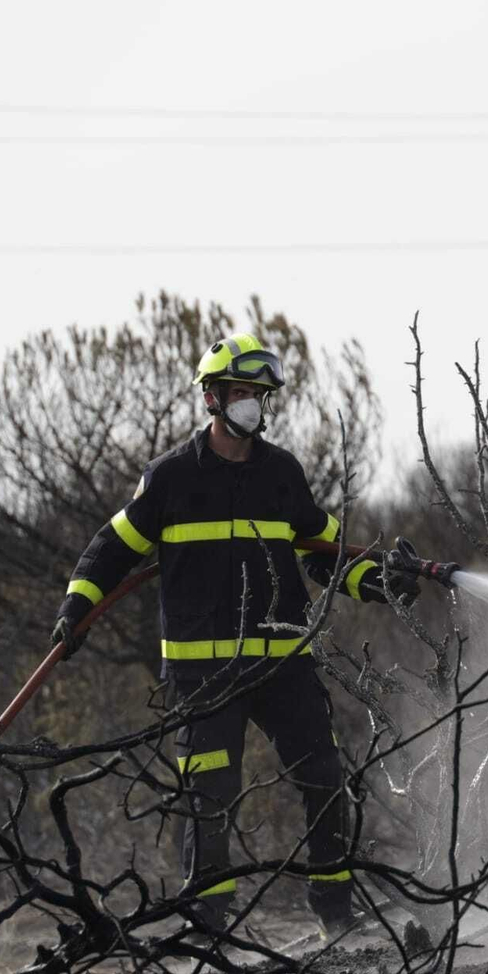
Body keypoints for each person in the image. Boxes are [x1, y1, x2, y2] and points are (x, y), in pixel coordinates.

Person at [50, 332, 419, 938]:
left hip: (283, 670)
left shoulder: (282, 474)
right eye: (240, 391)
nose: (251, 402)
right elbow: (109, 551)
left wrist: (377, 581)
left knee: (325, 778)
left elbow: (326, 550)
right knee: (209, 797)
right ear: (212, 399)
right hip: (203, 679)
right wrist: (76, 609)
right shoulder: (169, 479)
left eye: (258, 393)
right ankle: (208, 927)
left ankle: (336, 916)